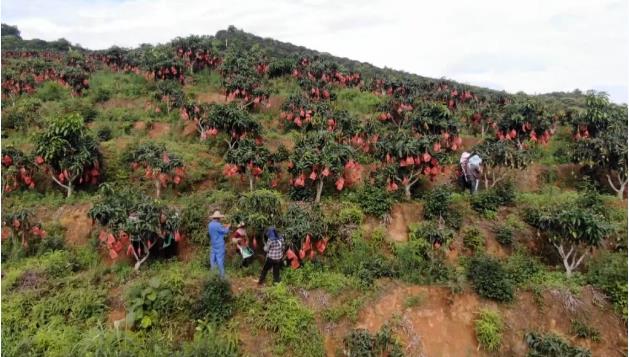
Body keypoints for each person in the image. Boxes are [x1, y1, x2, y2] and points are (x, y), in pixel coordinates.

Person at [208, 210, 230, 278]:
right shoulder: (218, 225)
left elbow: (217, 230)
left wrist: (223, 226)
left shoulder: (210, 224)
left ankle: (213, 275)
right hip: (219, 245)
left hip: (213, 244)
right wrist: (228, 227)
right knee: (220, 260)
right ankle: (222, 276)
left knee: (213, 260)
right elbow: (225, 231)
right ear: (218, 218)